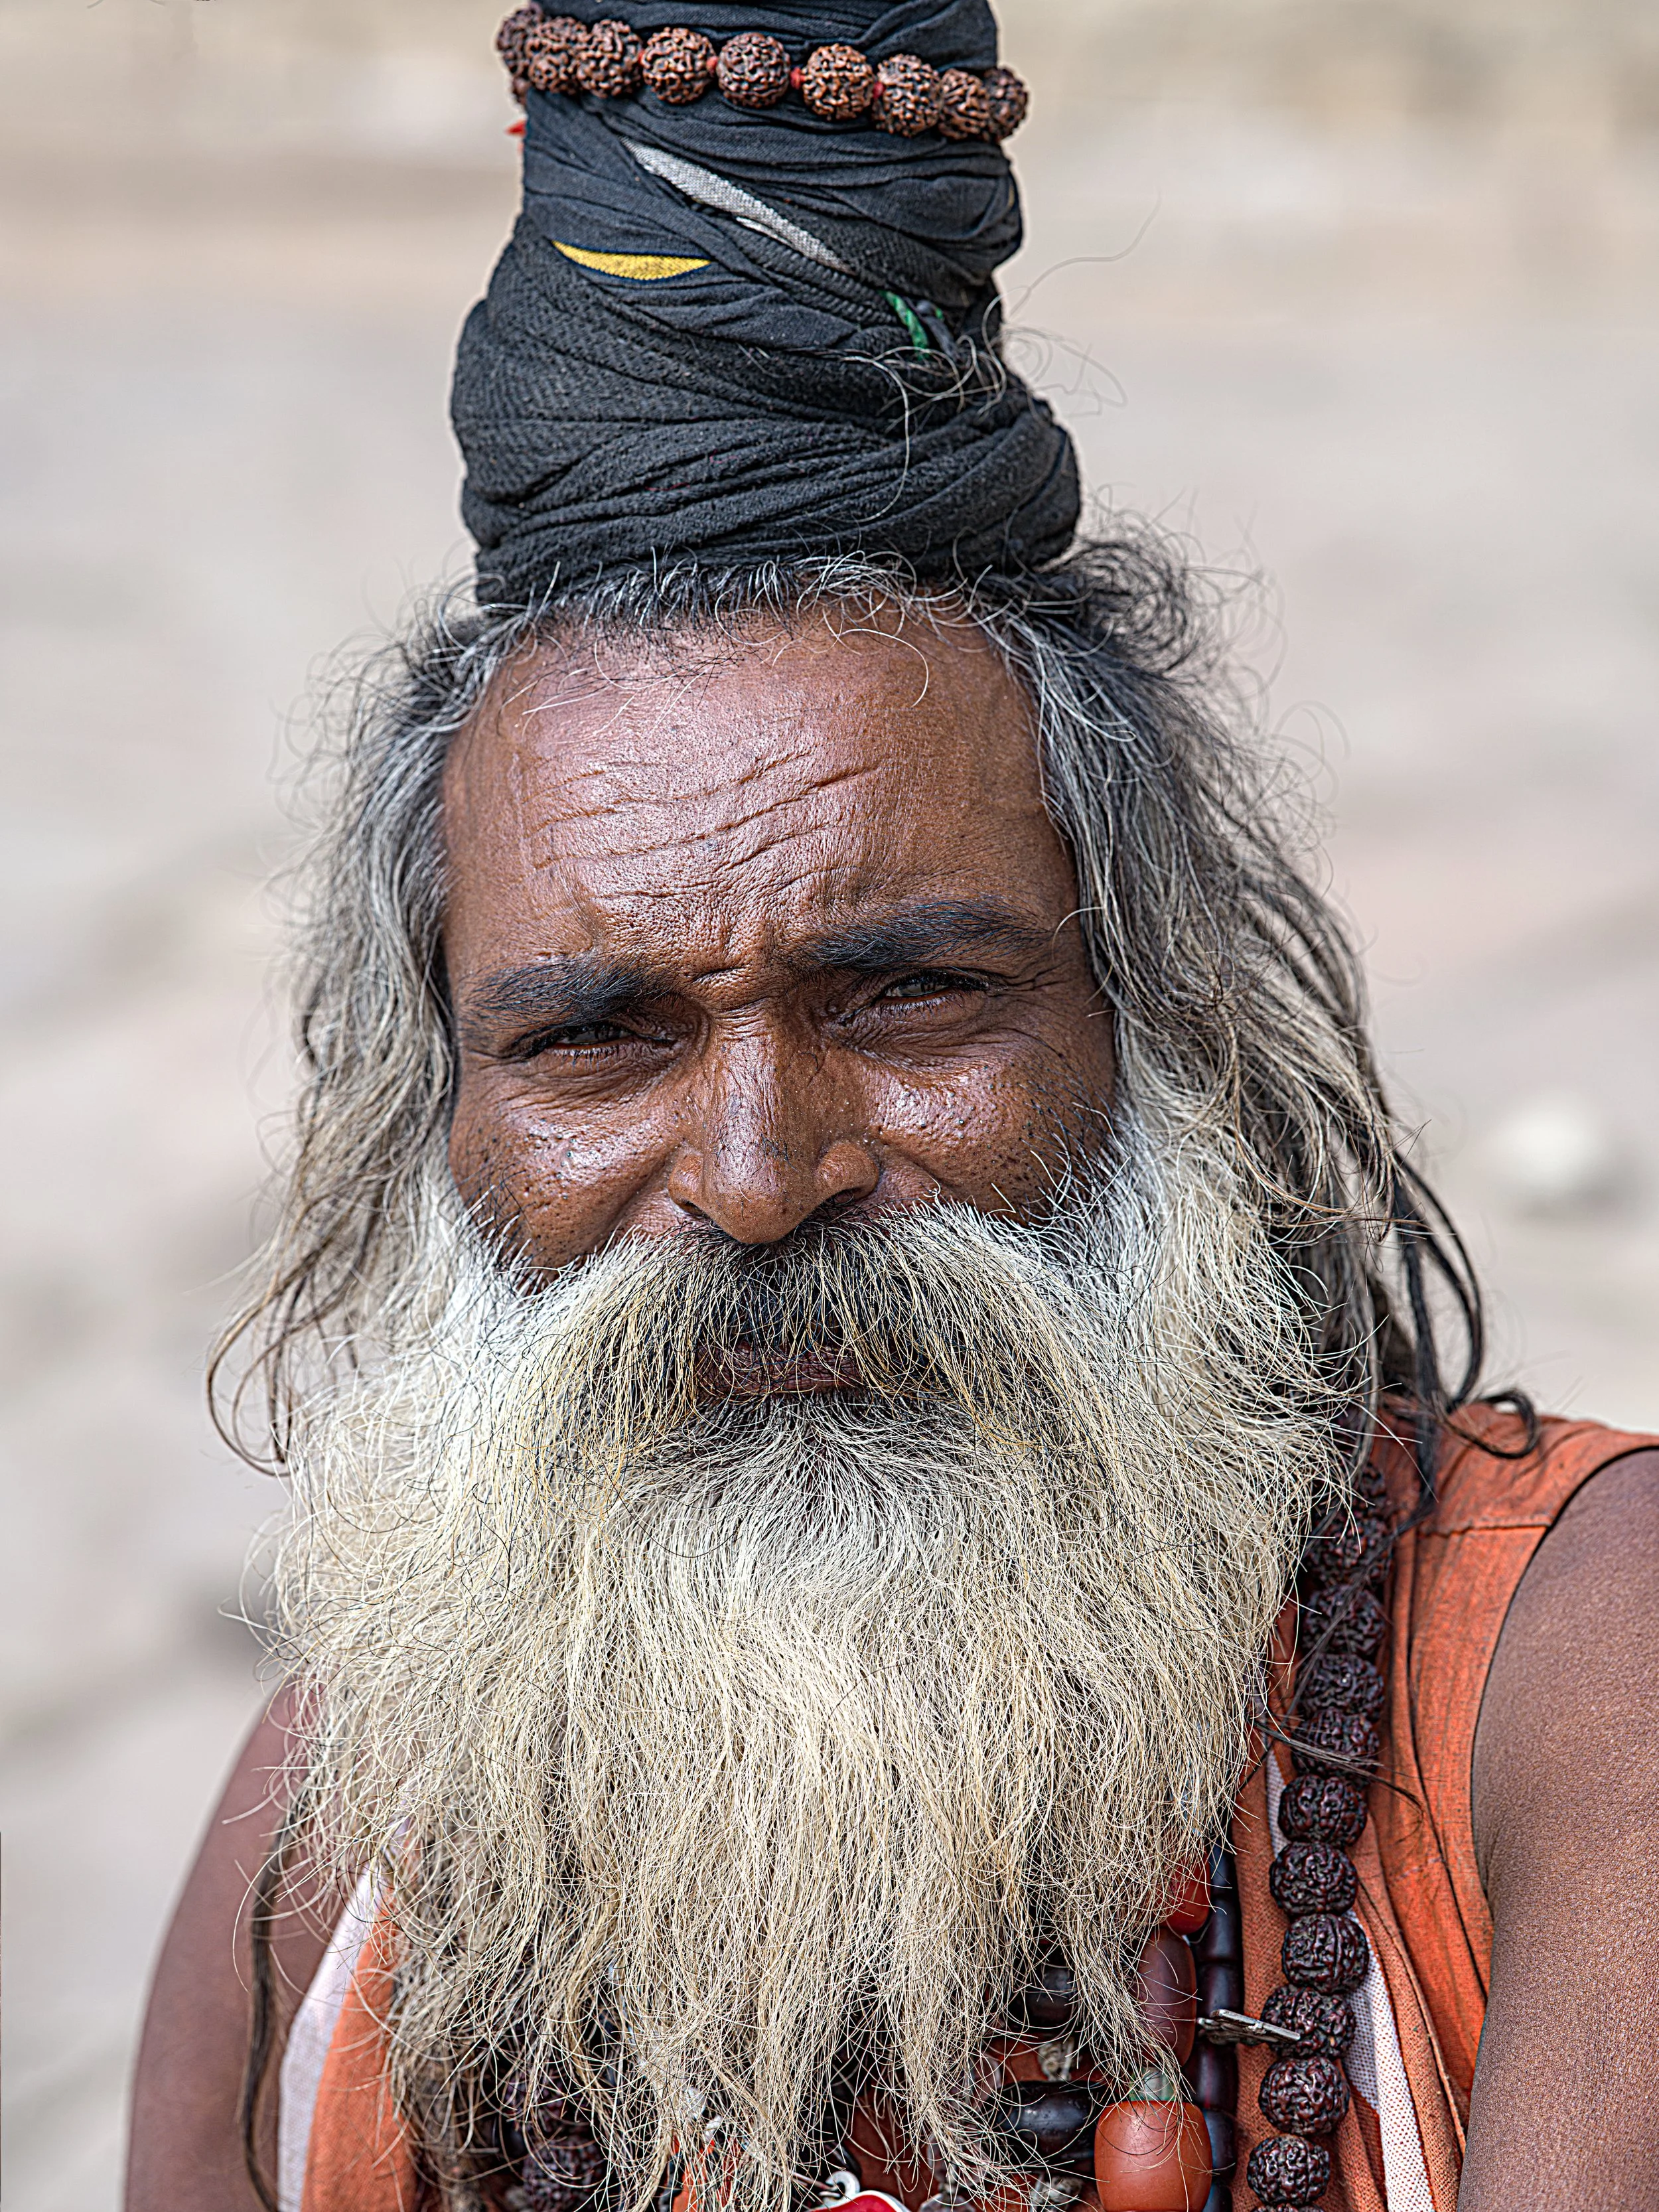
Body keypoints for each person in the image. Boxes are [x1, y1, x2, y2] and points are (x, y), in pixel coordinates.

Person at [125, 4, 1659, 2210]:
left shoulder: (1566, 1680)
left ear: (1159, 1022)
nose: (757, 1178)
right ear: (438, 1113)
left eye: (911, 997)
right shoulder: (340, 1857)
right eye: (595, 1042)